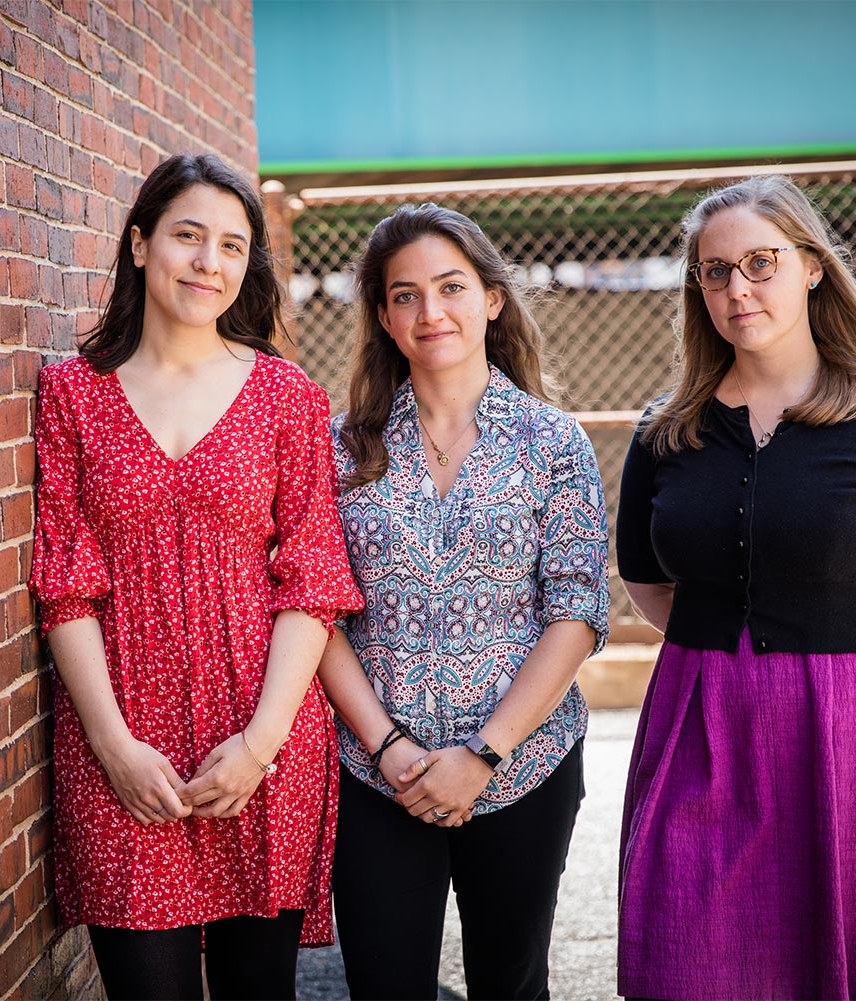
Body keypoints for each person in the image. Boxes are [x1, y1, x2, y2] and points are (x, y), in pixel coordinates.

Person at [614, 174, 856, 1000]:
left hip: (849, 719)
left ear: (812, 266)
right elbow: (644, 579)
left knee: (835, 969)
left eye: (760, 262)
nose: (737, 288)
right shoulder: (665, 429)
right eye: (714, 271)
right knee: (684, 954)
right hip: (698, 716)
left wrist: (841, 627)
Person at [28, 153, 363, 1001]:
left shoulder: (288, 397)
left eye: (230, 245)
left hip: (261, 741)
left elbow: (312, 580)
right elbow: (64, 580)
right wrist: (112, 747)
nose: (208, 262)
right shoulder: (72, 393)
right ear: (140, 245)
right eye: (187, 236)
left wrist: (259, 745)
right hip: (124, 748)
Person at [320, 203, 610, 1000]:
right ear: (383, 315)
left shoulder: (553, 441)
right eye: (404, 294)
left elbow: (577, 612)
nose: (429, 311)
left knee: (510, 985)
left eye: (450, 286)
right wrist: (391, 749)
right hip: (381, 774)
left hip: (524, 765)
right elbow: (319, 613)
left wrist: (483, 754)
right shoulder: (344, 447)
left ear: (491, 298)